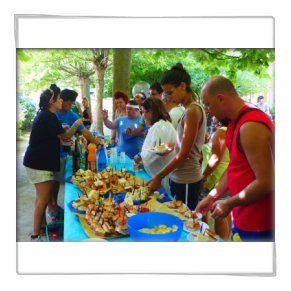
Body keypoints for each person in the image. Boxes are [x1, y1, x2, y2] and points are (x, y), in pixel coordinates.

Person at [195, 75, 275, 242]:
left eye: (208, 104)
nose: (207, 109)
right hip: (244, 217)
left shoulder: (250, 126)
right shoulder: (234, 122)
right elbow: (234, 168)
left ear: (221, 99)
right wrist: (212, 196)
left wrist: (229, 203)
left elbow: (267, 182)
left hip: (259, 222)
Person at [23, 84, 83, 242]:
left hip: (36, 161)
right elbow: (64, 136)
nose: (61, 101)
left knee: (40, 198)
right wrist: (76, 125)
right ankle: (35, 236)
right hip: (39, 163)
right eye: (59, 98)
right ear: (52, 101)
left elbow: (58, 136)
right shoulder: (49, 116)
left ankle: (42, 228)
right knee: (43, 199)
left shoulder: (46, 115)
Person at [146, 63, 206, 211]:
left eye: (169, 92)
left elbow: (185, 154)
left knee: (185, 224)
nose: (168, 97)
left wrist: (159, 176)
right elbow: (201, 139)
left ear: (182, 86)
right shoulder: (190, 109)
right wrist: (176, 144)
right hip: (181, 177)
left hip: (186, 178)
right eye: (166, 93)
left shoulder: (192, 110)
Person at [47, 89, 101, 219]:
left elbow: (85, 132)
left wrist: (96, 142)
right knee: (48, 182)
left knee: (56, 181)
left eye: (72, 104)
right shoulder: (52, 114)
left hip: (62, 154)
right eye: (68, 104)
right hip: (48, 153)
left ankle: (54, 203)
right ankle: (50, 206)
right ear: (60, 101)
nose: (71, 107)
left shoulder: (72, 115)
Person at [133, 97, 176, 193]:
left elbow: (158, 149)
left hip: (163, 180)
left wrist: (140, 156)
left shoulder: (160, 126)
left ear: (151, 111)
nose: (143, 116)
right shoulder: (160, 125)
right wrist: (143, 163)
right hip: (161, 175)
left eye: (144, 112)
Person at [200, 114, 232, 241]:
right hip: (226, 176)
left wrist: (203, 178)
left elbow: (216, 159)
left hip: (217, 178)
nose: (212, 117)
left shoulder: (221, 132)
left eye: (214, 115)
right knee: (225, 211)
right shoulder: (231, 131)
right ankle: (224, 240)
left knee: (218, 213)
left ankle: (222, 241)